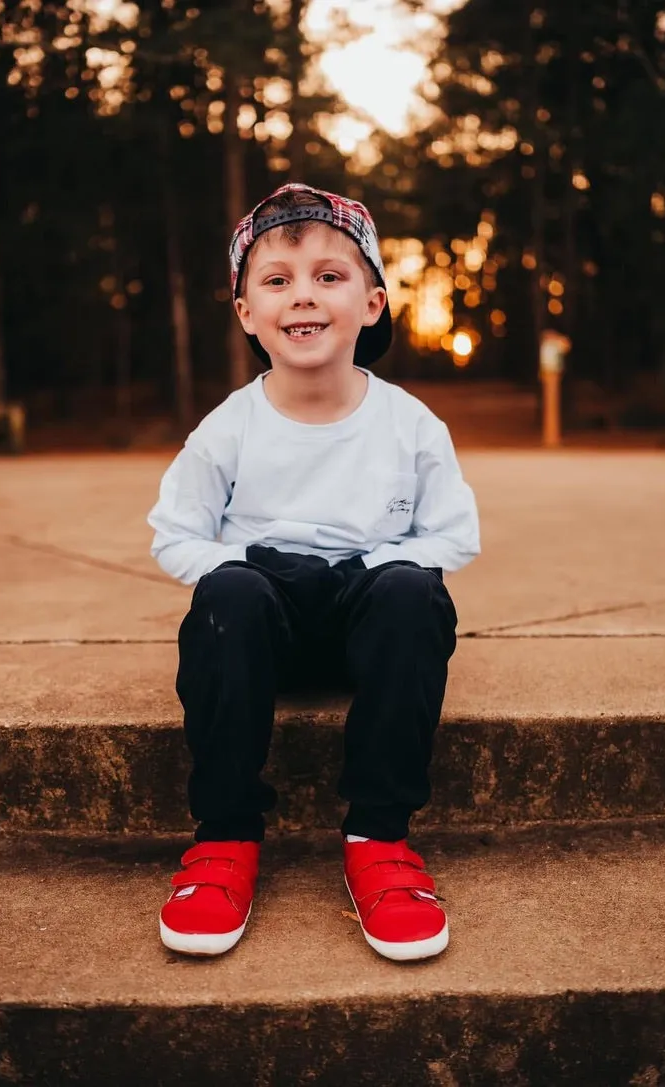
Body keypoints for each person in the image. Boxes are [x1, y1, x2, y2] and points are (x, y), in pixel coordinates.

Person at [147, 182, 480, 963]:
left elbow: (452, 535)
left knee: (411, 590)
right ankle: (223, 838)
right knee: (226, 591)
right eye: (277, 280)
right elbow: (176, 536)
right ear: (246, 313)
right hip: (267, 621)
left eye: (329, 276)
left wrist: (380, 562)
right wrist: (248, 562)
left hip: (369, 619)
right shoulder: (228, 427)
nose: (303, 295)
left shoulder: (408, 425)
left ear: (370, 303)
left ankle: (378, 837)